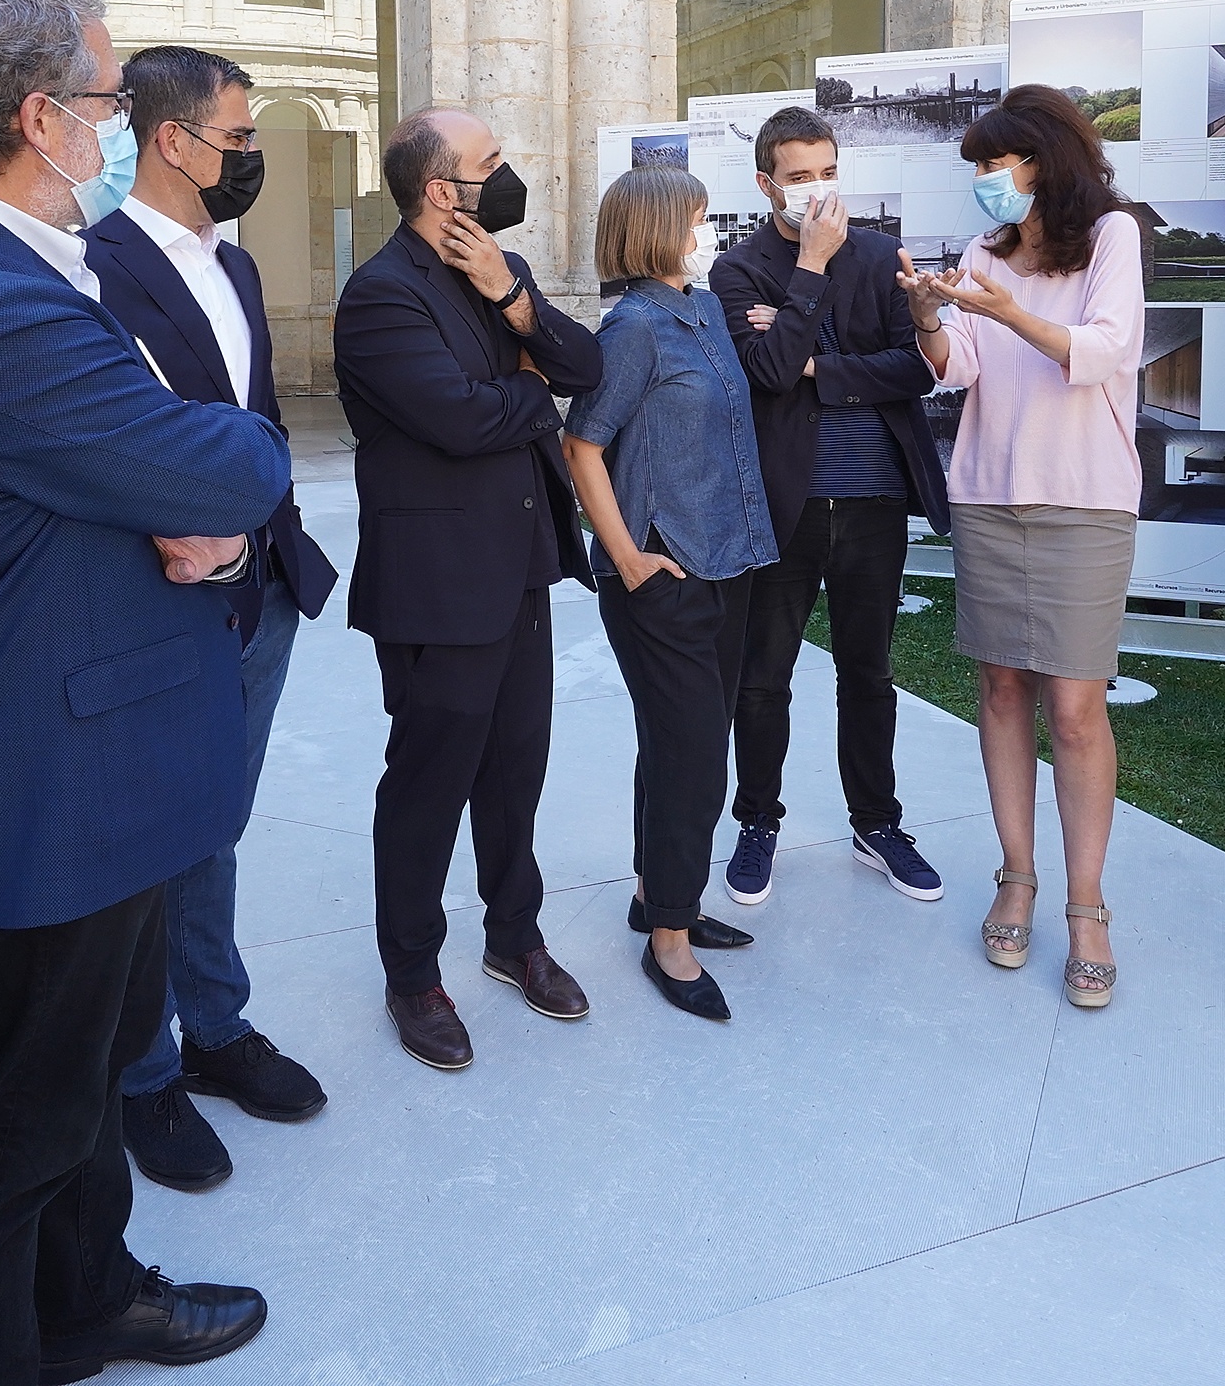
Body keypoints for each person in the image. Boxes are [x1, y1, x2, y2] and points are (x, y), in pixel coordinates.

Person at [0, 0, 287, 1384]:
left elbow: (148, 475)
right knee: (18, 1132)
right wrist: (209, 471)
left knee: (90, 1078)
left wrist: (177, 492)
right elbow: (233, 461)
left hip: (92, 750)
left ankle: (89, 1300)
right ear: (41, 119)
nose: (117, 124)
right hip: (51, 777)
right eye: (106, 98)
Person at [82, 44, 339, 1192]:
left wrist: (268, 541)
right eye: (239, 138)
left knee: (214, 825)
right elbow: (106, 444)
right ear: (171, 141)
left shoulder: (233, 267)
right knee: (149, 835)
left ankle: (216, 1029)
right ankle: (142, 1072)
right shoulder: (92, 270)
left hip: (261, 592)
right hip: (165, 598)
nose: (251, 156)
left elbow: (256, 415)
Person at [333, 106, 604, 1069]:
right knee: (428, 785)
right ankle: (412, 976)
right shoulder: (380, 295)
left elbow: (586, 365)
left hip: (520, 565)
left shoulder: (498, 265)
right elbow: (457, 418)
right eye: (492, 161)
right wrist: (530, 389)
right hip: (438, 585)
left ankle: (512, 938)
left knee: (514, 770)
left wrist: (516, 306)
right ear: (441, 189)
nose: (509, 172)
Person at [903, 84, 1143, 1011]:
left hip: (1083, 497)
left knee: (1075, 709)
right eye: (975, 165)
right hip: (987, 495)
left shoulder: (1111, 235)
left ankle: (1087, 907)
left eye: (992, 162)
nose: (982, 179)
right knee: (1001, 687)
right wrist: (929, 316)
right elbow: (958, 368)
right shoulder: (983, 252)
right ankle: (1016, 877)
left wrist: (1004, 313)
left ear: (1042, 161)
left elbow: (1102, 351)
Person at [709, 107, 954, 911]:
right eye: (798, 177)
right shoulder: (738, 270)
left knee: (868, 672)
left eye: (826, 172)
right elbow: (764, 375)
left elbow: (913, 369)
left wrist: (813, 359)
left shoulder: (880, 256)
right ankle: (756, 822)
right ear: (764, 184)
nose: (816, 189)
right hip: (784, 504)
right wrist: (809, 269)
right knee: (762, 678)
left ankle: (876, 824)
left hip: (874, 499)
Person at [564, 167, 779, 1019]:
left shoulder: (705, 310)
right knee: (691, 759)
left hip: (728, 561)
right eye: (696, 218)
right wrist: (625, 557)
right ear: (658, 228)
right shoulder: (633, 328)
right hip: (663, 572)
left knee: (680, 749)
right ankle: (669, 941)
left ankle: (657, 896)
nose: (706, 232)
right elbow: (582, 445)